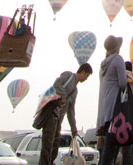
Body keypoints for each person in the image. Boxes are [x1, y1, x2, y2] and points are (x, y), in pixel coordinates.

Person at [39, 63, 93, 165]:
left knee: (54, 147)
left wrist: (74, 128)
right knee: (47, 146)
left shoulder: (75, 91)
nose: (86, 79)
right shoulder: (68, 76)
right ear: (83, 71)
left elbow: (71, 111)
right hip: (51, 114)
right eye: (87, 75)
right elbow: (57, 84)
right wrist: (63, 96)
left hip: (59, 119)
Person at [97, 35, 127, 165]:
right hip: (114, 107)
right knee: (111, 143)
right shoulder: (118, 60)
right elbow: (123, 83)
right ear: (117, 48)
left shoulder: (103, 64)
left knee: (111, 143)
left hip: (103, 109)